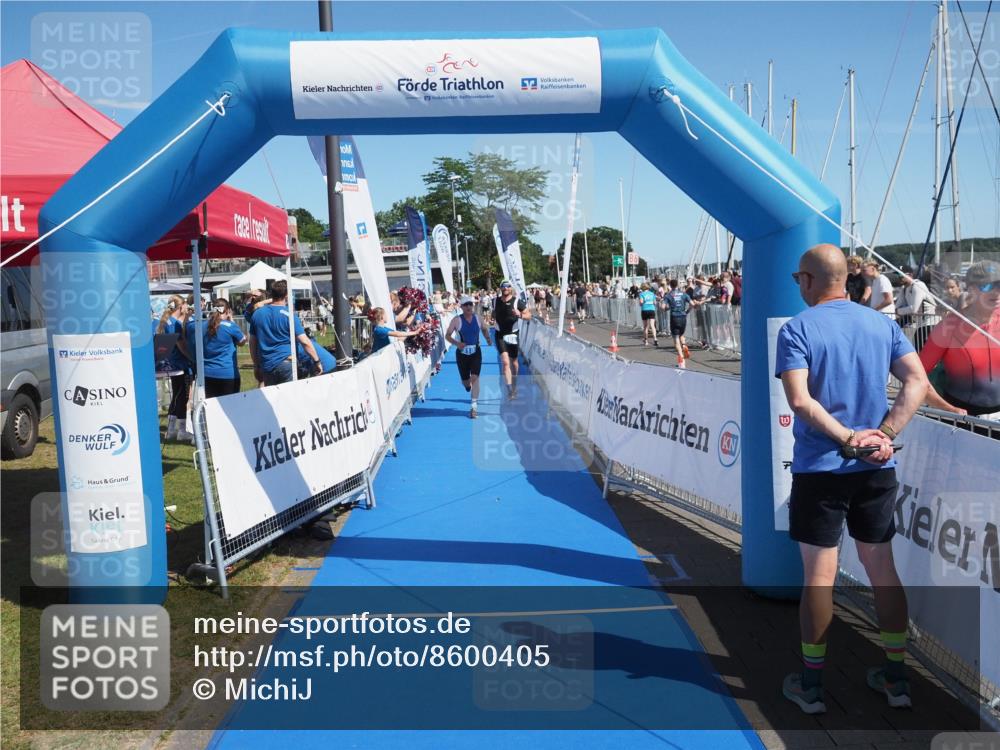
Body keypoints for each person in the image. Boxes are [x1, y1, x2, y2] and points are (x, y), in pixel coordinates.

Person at [776, 244, 928, 715]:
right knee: (882, 569)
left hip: (823, 469)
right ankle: (897, 679)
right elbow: (917, 382)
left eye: (798, 279)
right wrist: (883, 434)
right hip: (876, 467)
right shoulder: (882, 324)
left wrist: (848, 438)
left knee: (819, 578)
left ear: (807, 280)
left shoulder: (798, 328)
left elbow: (800, 401)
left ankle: (811, 686)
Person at [918, 261, 1000, 419]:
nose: (996, 292)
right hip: (962, 420)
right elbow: (915, 377)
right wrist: (947, 409)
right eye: (987, 286)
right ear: (971, 289)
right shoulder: (948, 328)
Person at [249, 280, 323, 386]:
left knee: (271, 395)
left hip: (267, 365)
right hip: (286, 364)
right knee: (289, 395)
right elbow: (304, 341)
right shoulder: (289, 315)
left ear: (271, 294)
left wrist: (256, 364)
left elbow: (252, 343)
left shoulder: (257, 314)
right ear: (287, 295)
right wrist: (317, 361)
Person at [187, 299, 247, 398]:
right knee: (230, 405)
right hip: (227, 373)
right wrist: (232, 321)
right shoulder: (230, 326)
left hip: (207, 373)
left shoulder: (202, 325)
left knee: (211, 404)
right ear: (228, 311)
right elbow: (242, 341)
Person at [446, 296, 492, 418]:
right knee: (466, 382)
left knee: (475, 378)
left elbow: (484, 329)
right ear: (461, 307)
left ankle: (474, 407)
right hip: (462, 354)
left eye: (470, 304)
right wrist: (457, 343)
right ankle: (467, 386)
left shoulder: (478, 318)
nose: (468, 307)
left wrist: (488, 339)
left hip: (476, 352)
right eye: (466, 305)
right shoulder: (456, 320)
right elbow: (447, 335)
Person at [156, 295, 194, 441]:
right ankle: (182, 431)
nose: (187, 306)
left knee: (177, 396)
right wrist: (193, 358)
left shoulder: (166, 321)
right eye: (185, 304)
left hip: (172, 365)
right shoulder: (174, 324)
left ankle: (171, 429)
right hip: (180, 365)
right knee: (182, 397)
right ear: (180, 306)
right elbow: (182, 346)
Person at [494, 280, 531, 399]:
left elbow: (528, 315)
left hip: (513, 334)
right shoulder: (494, 301)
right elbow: (494, 313)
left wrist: (520, 315)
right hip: (500, 334)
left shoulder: (517, 302)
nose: (505, 288)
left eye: (508, 286)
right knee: (505, 362)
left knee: (514, 362)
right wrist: (492, 318)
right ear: (500, 288)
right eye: (503, 286)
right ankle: (510, 390)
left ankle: (514, 385)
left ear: (511, 288)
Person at [895, 268, 936, 350]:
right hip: (921, 324)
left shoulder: (918, 285)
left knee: (921, 350)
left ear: (910, 275)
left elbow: (914, 309)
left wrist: (899, 311)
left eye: (901, 275)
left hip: (931, 322)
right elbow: (897, 306)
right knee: (918, 349)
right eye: (897, 275)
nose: (899, 278)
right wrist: (898, 310)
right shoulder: (905, 289)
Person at [664, 279, 697, 367]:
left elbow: (663, 307)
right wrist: (687, 311)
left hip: (674, 317)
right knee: (681, 334)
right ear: (678, 285)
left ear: (670, 286)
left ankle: (681, 358)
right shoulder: (684, 294)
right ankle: (684, 345)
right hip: (683, 316)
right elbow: (692, 304)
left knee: (675, 338)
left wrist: (666, 308)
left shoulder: (668, 295)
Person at [638, 282, 659, 346]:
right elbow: (655, 303)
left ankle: (646, 341)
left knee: (645, 326)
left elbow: (641, 302)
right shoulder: (652, 294)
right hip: (651, 309)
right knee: (652, 325)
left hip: (644, 310)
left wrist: (641, 303)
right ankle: (655, 339)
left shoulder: (641, 294)